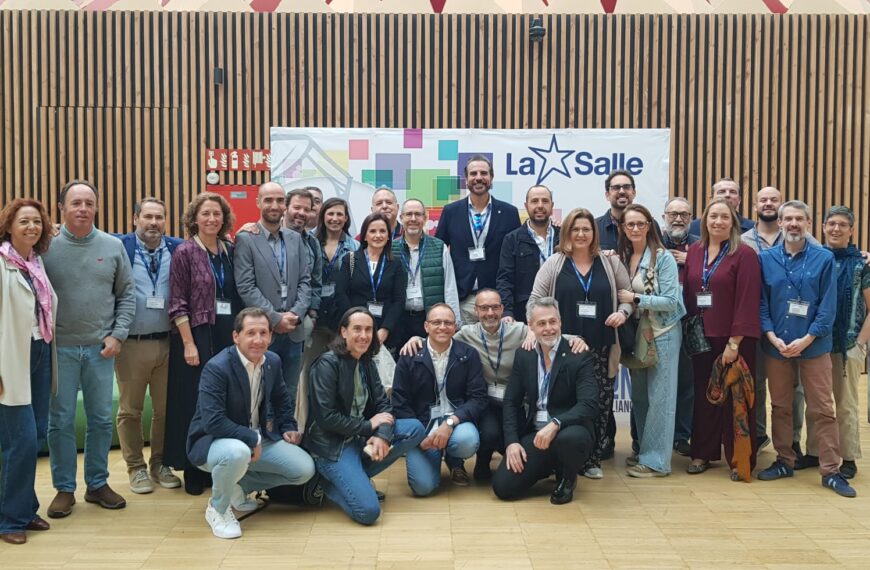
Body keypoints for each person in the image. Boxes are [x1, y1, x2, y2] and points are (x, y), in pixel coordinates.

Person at [43, 180, 135, 518]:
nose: (83, 208)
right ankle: (64, 489)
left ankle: (97, 483)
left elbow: (126, 294)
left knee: (99, 419)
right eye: (76, 202)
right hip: (59, 350)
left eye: (89, 203)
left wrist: (118, 335)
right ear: (61, 208)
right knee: (61, 421)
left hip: (101, 349)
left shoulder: (112, 246)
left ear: (96, 207)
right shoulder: (44, 246)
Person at [187, 308, 315, 539]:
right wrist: (253, 438)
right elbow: (213, 421)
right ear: (236, 336)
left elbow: (282, 401)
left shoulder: (272, 361)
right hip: (215, 442)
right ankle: (218, 508)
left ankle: (239, 487)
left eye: (263, 333)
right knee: (236, 453)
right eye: (251, 333)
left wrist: (288, 427)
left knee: (303, 470)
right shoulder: (217, 368)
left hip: (256, 440)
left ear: (271, 336)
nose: (258, 340)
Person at [757, 200, 856, 498]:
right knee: (782, 407)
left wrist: (807, 339)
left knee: (823, 409)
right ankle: (785, 460)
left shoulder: (824, 258)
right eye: (788, 219)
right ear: (781, 223)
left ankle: (830, 470)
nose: (793, 224)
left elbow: (828, 309)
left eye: (799, 219)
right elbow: (762, 304)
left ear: (809, 224)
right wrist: (773, 337)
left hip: (814, 346)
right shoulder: (766, 259)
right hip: (777, 346)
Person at [528, 208, 633, 479]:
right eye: (575, 229)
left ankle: (592, 460)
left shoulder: (610, 263)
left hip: (600, 347)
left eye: (586, 229)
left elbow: (627, 296)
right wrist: (532, 329)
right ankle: (559, 460)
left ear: (594, 233)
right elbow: (535, 299)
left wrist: (623, 313)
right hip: (560, 349)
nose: (581, 234)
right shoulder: (555, 263)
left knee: (597, 404)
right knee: (564, 402)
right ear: (567, 233)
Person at [304, 308, 426, 525]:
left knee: (415, 428)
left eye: (369, 329)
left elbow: (384, 406)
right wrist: (369, 426)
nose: (364, 335)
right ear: (343, 332)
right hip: (332, 447)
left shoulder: (366, 360)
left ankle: (355, 477)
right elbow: (327, 418)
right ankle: (327, 483)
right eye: (357, 329)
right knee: (368, 512)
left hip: (360, 438)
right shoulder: (327, 364)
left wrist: (382, 436)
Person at [165, 192, 241, 496]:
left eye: (217, 214)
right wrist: (188, 343)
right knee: (194, 402)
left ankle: (217, 462)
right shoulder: (184, 252)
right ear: (194, 218)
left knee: (223, 400)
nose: (211, 219)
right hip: (197, 334)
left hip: (227, 332)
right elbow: (177, 302)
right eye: (205, 213)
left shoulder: (229, 250)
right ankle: (193, 467)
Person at [491, 297, 598, 505]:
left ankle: (568, 477)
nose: (548, 328)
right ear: (531, 326)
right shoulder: (525, 354)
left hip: (568, 430)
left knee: (570, 439)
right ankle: (546, 465)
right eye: (541, 323)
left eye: (553, 322)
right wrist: (512, 442)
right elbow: (511, 402)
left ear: (560, 322)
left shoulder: (578, 353)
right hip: (536, 434)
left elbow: (589, 404)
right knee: (503, 488)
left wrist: (556, 424)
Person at [683, 199, 761, 481]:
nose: (718, 221)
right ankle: (702, 452)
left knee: (736, 400)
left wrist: (734, 342)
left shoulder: (745, 254)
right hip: (701, 337)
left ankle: (739, 459)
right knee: (705, 397)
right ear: (704, 220)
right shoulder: (694, 251)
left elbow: (747, 300)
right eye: (713, 216)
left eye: (724, 217)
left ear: (733, 222)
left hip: (733, 339)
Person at [114, 198, 184, 494]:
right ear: (135, 219)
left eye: (159, 217)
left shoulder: (178, 248)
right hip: (132, 343)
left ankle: (159, 463)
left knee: (165, 410)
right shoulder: (120, 246)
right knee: (130, 410)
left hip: (168, 343)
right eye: (147, 217)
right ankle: (136, 468)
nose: (153, 222)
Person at [741, 186, 816, 452]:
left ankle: (793, 441)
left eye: (774, 199)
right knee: (757, 381)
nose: (769, 203)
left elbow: (824, 263)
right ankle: (759, 435)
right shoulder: (743, 240)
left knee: (792, 388)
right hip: (756, 324)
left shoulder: (807, 240)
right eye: (763, 200)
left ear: (781, 206)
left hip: (793, 326)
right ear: (755, 206)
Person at [0, 199, 57, 545]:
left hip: (38, 352)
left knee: (35, 435)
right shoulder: (2, 263)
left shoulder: (35, 263)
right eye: (24, 221)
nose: (32, 227)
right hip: (10, 362)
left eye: (37, 222)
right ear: (9, 226)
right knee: (18, 440)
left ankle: (23, 506)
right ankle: (9, 520)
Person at [797, 206, 868, 479]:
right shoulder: (814, 259)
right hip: (815, 343)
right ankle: (815, 451)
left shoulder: (861, 264)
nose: (836, 229)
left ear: (851, 230)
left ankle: (848, 456)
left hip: (848, 344)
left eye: (842, 225)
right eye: (831, 224)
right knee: (817, 402)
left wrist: (859, 344)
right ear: (823, 228)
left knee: (846, 403)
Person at [617, 204, 685, 477]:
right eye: (629, 224)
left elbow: (671, 302)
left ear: (650, 225)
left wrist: (636, 299)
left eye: (640, 223)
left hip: (663, 334)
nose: (635, 228)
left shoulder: (663, 258)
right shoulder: (625, 257)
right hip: (639, 337)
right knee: (642, 398)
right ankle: (645, 452)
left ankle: (658, 462)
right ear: (622, 228)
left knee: (661, 399)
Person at [391, 304, 488, 491]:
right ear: (426, 326)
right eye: (436, 322)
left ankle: (454, 459)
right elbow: (399, 402)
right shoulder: (409, 355)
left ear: (455, 327)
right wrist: (419, 436)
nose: (442, 327)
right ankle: (432, 455)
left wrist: (450, 423)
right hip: (422, 424)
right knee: (423, 487)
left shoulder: (468, 355)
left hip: (456, 421)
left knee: (467, 441)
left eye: (448, 323)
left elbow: (478, 398)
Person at [234, 183, 312, 409]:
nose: (274, 205)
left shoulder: (295, 239)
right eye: (268, 200)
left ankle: (283, 438)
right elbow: (246, 287)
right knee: (258, 394)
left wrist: (296, 313)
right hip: (262, 333)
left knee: (288, 392)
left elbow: (305, 281)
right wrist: (275, 319)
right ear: (258, 202)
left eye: (279, 200)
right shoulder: (246, 239)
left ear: (285, 205)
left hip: (294, 332)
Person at [297, 197, 359, 432]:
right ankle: (305, 427)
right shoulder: (308, 241)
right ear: (322, 216)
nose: (334, 219)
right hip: (312, 316)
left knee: (337, 376)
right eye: (330, 213)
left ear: (346, 218)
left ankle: (336, 427)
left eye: (340, 214)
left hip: (340, 319)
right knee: (307, 373)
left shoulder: (354, 247)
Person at [436, 155, 521, 324]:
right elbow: (438, 250)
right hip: (463, 299)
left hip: (496, 301)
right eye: (473, 174)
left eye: (484, 173)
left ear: (491, 178)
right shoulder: (451, 212)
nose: (479, 178)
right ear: (466, 179)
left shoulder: (509, 213)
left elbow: (517, 255)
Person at [391, 199, 460, 349]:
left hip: (430, 319)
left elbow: (449, 286)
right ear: (401, 218)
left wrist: (454, 322)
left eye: (418, 214)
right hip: (399, 320)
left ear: (425, 218)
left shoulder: (438, 246)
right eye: (409, 214)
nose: (413, 219)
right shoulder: (390, 249)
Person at [333, 213, 407, 350]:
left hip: (385, 335)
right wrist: (353, 325)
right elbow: (341, 294)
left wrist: (385, 329)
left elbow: (399, 300)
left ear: (388, 235)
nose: (378, 235)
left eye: (382, 231)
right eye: (372, 231)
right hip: (354, 332)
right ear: (365, 236)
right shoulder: (350, 260)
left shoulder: (396, 263)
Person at [660, 197, 698, 456]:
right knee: (658, 382)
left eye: (684, 214)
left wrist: (689, 260)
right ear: (664, 216)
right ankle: (655, 435)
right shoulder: (654, 243)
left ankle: (682, 435)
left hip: (692, 321)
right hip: (659, 323)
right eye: (673, 213)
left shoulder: (700, 246)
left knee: (687, 382)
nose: (678, 219)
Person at [497, 185, 560, 324]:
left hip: (560, 309)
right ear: (526, 206)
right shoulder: (512, 239)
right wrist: (507, 311)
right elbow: (505, 279)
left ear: (552, 205)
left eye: (545, 201)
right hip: (524, 313)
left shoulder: (564, 237)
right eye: (534, 201)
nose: (540, 205)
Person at [284, 188, 323, 344]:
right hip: (267, 321)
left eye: (307, 209)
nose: (301, 213)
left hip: (300, 322)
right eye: (297, 207)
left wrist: (312, 315)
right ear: (285, 208)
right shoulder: (262, 237)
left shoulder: (313, 243)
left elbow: (315, 281)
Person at [595, 170, 662, 251]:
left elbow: (660, 257)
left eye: (626, 187)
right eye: (616, 188)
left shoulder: (651, 225)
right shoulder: (595, 227)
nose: (622, 191)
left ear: (634, 193)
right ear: (607, 195)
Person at [688, 178, 755, 237]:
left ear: (739, 200)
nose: (727, 195)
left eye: (732, 192)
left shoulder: (753, 228)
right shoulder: (693, 227)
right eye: (721, 192)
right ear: (711, 199)